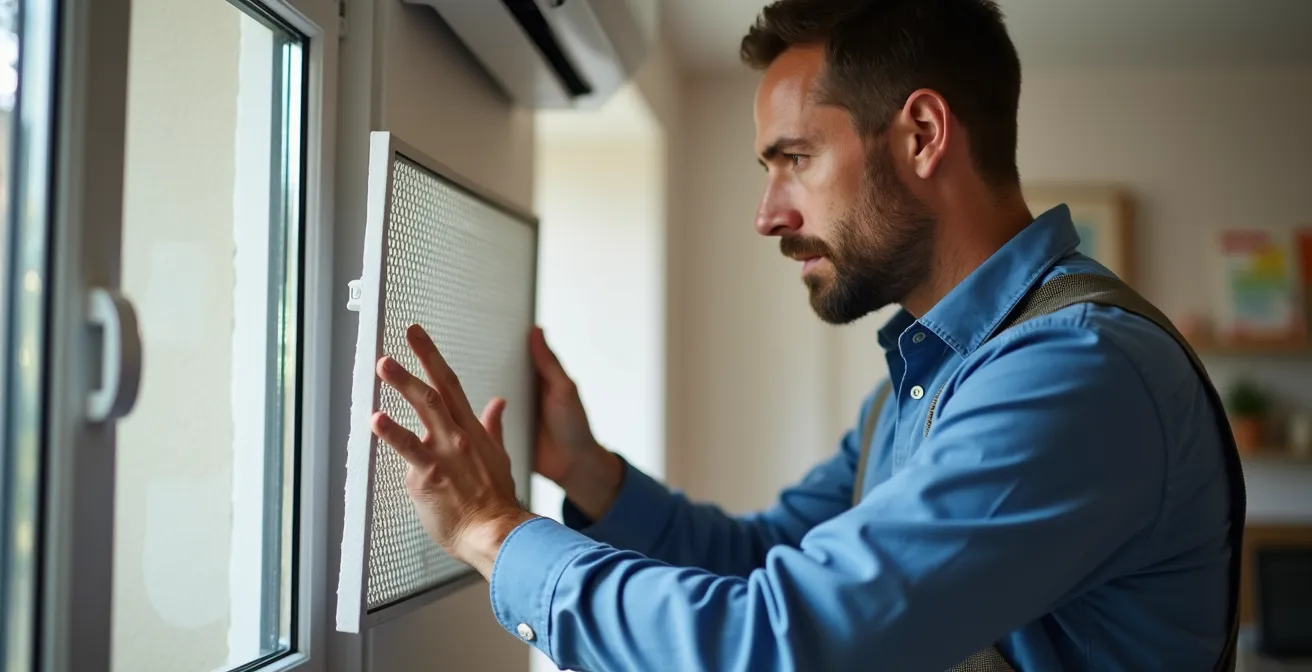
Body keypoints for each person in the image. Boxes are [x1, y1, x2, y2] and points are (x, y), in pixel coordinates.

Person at [368, 0, 1240, 669]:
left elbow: (781, 643)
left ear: (923, 136)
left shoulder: (1076, 376)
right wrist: (586, 470)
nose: (767, 215)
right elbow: (764, 560)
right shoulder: (922, 384)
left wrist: (491, 531)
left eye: (795, 159)